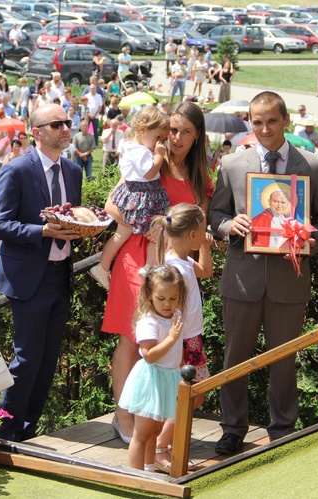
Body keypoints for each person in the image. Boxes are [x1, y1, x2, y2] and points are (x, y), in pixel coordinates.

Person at [209, 91, 318, 455]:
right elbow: (214, 214)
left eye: (271, 121)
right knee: (234, 356)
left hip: (288, 281)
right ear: (250, 121)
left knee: (284, 359)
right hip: (241, 279)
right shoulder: (232, 164)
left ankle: (282, 429)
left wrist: (306, 238)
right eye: (257, 121)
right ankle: (232, 428)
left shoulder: (314, 166)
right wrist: (229, 224)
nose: (264, 128)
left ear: (286, 121)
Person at [103, 101, 212, 442]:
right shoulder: (151, 161)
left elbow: (199, 225)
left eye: (185, 132)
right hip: (137, 257)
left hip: (175, 268)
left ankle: (159, 423)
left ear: (197, 137)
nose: (176, 138)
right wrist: (144, 222)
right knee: (131, 335)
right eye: (172, 130)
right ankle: (124, 417)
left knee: (171, 340)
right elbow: (112, 204)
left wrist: (169, 233)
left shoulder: (201, 177)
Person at [0, 103, 82, 442]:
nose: (65, 128)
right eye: (56, 124)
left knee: (47, 360)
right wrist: (41, 232)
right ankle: (5, 431)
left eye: (67, 122)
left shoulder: (73, 171)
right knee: (27, 358)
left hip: (61, 273)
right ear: (36, 133)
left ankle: (28, 431)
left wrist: (84, 228)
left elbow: (72, 218)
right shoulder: (16, 170)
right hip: (28, 278)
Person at [150, 203, 213, 472]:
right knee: (188, 396)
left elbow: (206, 272)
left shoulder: (184, 260)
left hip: (191, 339)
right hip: (182, 342)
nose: (206, 233)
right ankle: (161, 448)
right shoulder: (174, 268)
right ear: (192, 235)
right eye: (203, 230)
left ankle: (169, 446)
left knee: (194, 395)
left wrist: (206, 248)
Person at [89, 106, 170, 289]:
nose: (161, 143)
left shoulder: (132, 147)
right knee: (156, 235)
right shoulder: (140, 151)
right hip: (143, 197)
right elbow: (149, 173)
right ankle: (148, 267)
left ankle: (103, 266)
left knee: (123, 232)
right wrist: (159, 156)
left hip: (136, 195)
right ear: (142, 129)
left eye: (163, 140)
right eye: (158, 137)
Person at [117, 264, 185, 472]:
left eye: (173, 298)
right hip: (151, 380)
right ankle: (136, 478)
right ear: (149, 295)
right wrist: (172, 338)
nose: (167, 304)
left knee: (155, 432)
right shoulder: (148, 321)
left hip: (168, 379)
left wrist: (181, 366)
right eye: (161, 298)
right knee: (142, 434)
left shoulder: (175, 316)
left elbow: (176, 351)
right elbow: (149, 355)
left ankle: (149, 472)